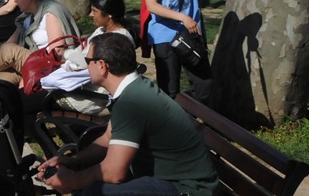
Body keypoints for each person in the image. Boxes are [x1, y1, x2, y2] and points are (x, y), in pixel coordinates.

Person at [39, 33, 219, 196]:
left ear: (102, 66)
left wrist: (72, 181)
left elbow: (114, 173)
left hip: (188, 189)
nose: (86, 66)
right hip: (176, 180)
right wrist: (73, 161)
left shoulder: (131, 102)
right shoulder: (133, 90)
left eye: (88, 61)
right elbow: (108, 138)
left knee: (94, 192)